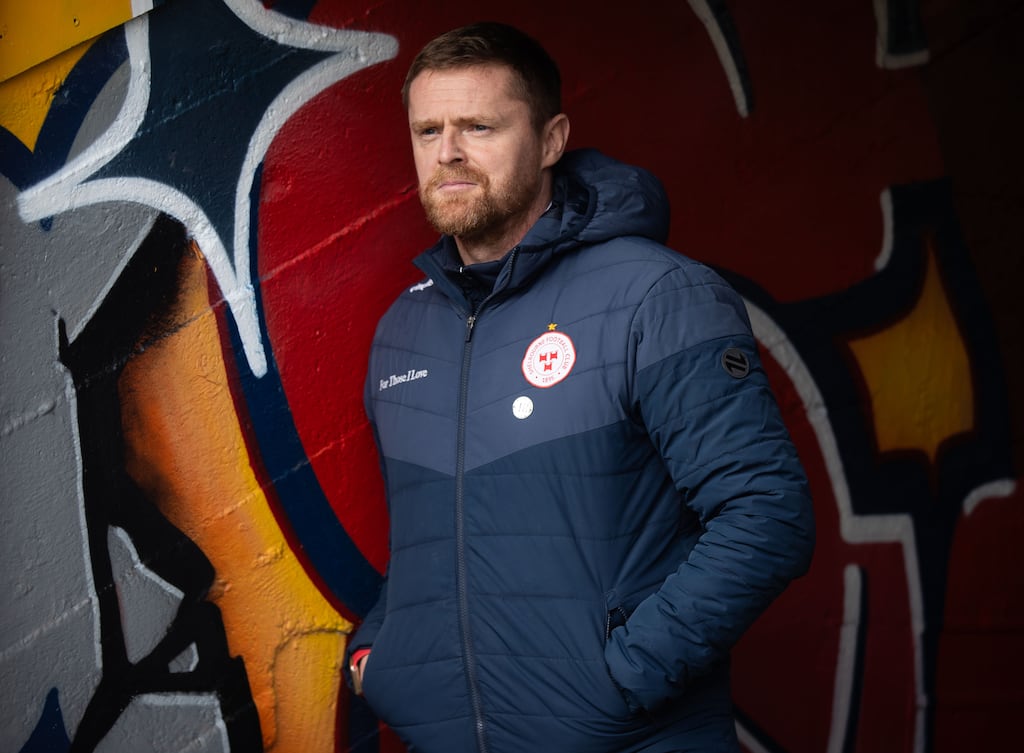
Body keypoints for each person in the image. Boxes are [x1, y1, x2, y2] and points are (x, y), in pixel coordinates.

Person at [346, 21, 815, 753]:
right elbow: (428, 539)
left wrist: (624, 676)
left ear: (551, 140)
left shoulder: (656, 296)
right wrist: (382, 657)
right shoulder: (403, 333)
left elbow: (767, 512)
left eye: (479, 126)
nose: (448, 152)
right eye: (428, 130)